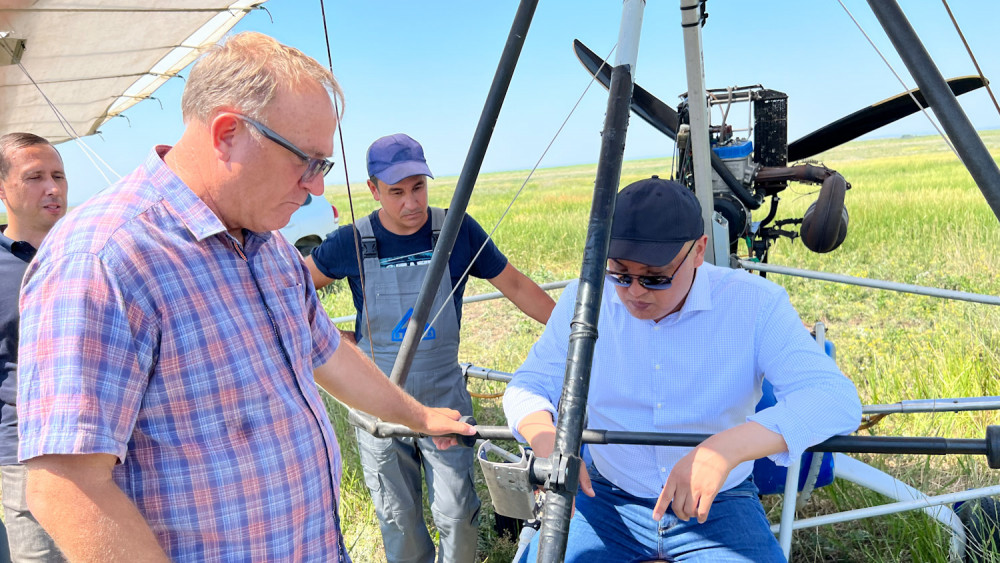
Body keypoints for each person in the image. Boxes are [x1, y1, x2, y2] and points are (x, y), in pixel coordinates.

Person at [16, 32, 474, 562]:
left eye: (322, 167)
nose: (316, 187)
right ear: (229, 133)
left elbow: (324, 351)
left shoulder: (268, 246)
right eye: (308, 161)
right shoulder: (105, 258)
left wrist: (419, 416)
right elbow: (67, 488)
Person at [503, 176, 862, 562]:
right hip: (608, 499)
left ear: (698, 251)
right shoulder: (585, 298)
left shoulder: (755, 303)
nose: (634, 292)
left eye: (655, 278)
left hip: (720, 500)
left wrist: (725, 449)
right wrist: (544, 440)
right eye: (620, 273)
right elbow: (529, 385)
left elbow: (835, 399)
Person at [304, 133, 555, 562]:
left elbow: (514, 284)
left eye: (418, 187)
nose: (410, 203)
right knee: (397, 516)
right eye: (396, 192)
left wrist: (578, 335)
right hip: (378, 405)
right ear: (373, 190)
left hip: (444, 400)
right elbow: (290, 289)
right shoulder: (351, 242)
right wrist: (328, 334)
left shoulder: (456, 231)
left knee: (457, 512)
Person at [0, 133, 68, 563]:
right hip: (28, 459)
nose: (53, 188)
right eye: (35, 177)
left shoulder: (92, 250)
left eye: (58, 175)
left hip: (111, 451)